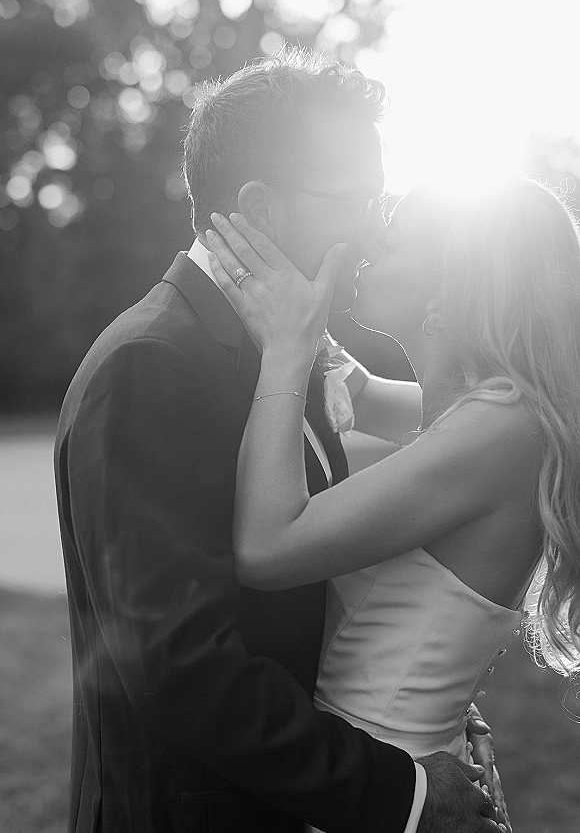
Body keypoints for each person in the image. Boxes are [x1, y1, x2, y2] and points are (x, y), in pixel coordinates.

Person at [54, 48, 504, 833]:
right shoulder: (153, 365)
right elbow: (181, 669)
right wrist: (400, 794)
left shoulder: (284, 347)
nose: (375, 228)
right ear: (260, 210)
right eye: (357, 199)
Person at [206, 175, 580, 817]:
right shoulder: (491, 414)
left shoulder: (500, 428)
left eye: (395, 238)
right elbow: (362, 390)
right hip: (390, 771)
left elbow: (267, 547)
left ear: (452, 288)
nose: (369, 240)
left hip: (388, 794)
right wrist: (293, 300)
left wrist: (288, 347)